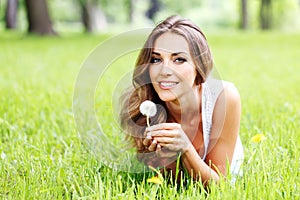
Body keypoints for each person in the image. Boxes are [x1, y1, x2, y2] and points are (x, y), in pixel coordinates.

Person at [120, 15, 243, 185]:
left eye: (179, 59)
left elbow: (221, 186)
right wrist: (163, 158)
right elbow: (177, 186)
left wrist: (185, 148)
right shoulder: (144, 105)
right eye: (156, 59)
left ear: (198, 65)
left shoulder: (224, 97)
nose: (165, 70)